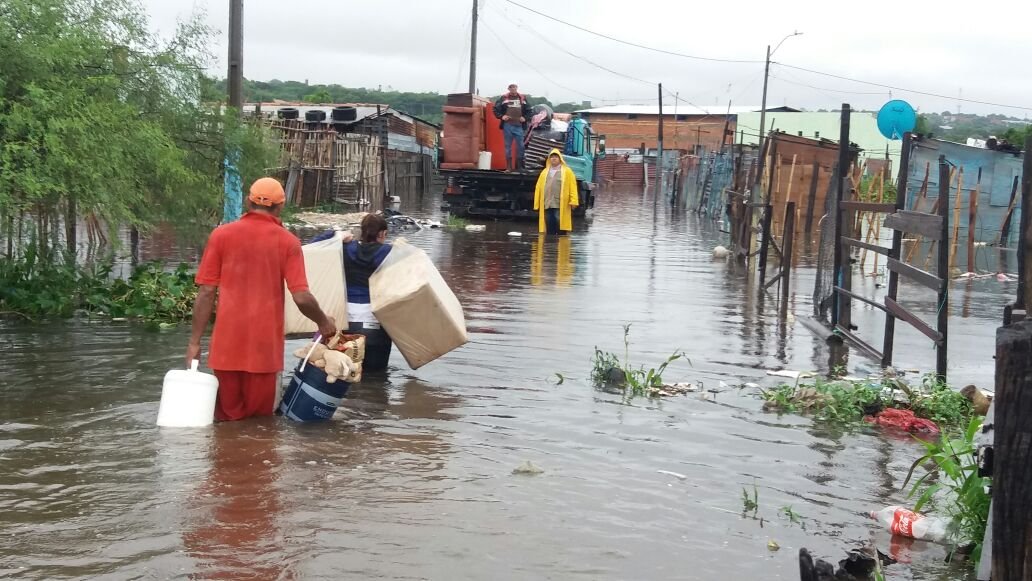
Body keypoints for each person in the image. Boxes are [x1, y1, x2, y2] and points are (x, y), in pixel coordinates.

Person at [186, 177, 337, 422]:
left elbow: (205, 292)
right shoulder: (288, 242)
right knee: (261, 427)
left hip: (225, 350)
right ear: (280, 207)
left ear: (248, 201)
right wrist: (323, 321)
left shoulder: (221, 235)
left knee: (225, 423)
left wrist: (194, 342)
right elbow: (301, 297)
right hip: (263, 351)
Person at [341, 214, 394, 372]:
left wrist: (337, 236)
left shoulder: (346, 248)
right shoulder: (390, 252)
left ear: (362, 231)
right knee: (377, 378)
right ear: (382, 234)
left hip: (346, 320)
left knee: (346, 374)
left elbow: (316, 245)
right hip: (376, 321)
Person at [533, 149, 579, 235]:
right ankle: (551, 241)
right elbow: (538, 188)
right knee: (549, 221)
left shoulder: (567, 172)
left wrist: (573, 201)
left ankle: (561, 239)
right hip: (547, 202)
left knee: (559, 221)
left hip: (560, 203)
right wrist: (537, 204)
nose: (554, 159)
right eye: (552, 157)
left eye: (556, 157)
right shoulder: (544, 172)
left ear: (560, 158)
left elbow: (573, 187)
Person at [493, 83, 532, 172]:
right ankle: (509, 167)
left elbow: (529, 110)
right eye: (511, 87)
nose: (513, 89)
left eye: (514, 87)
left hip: (519, 125)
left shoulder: (522, 98)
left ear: (517, 88)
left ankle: (520, 167)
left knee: (521, 146)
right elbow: (495, 109)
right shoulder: (503, 98)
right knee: (508, 146)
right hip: (508, 125)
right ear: (508, 89)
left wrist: (525, 118)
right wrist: (502, 116)